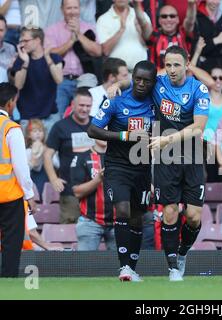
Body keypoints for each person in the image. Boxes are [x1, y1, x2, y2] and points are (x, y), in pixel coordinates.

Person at [88, 60, 157, 281]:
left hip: (143, 169)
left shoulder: (156, 103)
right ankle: (123, 267)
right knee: (123, 210)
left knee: (138, 218)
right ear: (132, 78)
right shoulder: (116, 101)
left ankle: (132, 268)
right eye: (137, 79)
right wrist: (124, 136)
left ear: (153, 83)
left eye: (146, 81)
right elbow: (93, 129)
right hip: (117, 167)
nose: (141, 84)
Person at [148, 46, 210, 281]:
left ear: (187, 65)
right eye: (168, 65)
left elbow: (199, 127)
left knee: (193, 216)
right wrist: (116, 86)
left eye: (176, 65)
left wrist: (167, 138)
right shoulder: (158, 84)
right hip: (166, 158)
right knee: (170, 212)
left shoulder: (198, 88)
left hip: (192, 156)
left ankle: (183, 252)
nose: (172, 70)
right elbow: (135, 82)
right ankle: (173, 267)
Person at [0, 82, 36, 277]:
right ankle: (7, 281)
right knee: (11, 243)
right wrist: (29, 194)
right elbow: (21, 167)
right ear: (10, 103)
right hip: (8, 195)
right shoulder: (11, 128)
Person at [44, 88, 94, 224]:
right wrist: (54, 179)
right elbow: (47, 154)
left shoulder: (97, 125)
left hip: (95, 191)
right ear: (72, 104)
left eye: (88, 106)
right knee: (71, 234)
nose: (85, 109)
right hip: (70, 192)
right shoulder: (60, 126)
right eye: (81, 105)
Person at [45, 0, 102, 117]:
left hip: (84, 80)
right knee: (58, 117)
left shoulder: (89, 27)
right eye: (69, 8)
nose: (72, 11)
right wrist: (71, 41)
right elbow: (52, 54)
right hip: (61, 81)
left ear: (80, 9)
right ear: (62, 10)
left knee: (87, 117)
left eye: (75, 8)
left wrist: (78, 34)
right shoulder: (52, 30)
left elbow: (97, 52)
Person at [12, 27, 63, 134]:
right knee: (28, 150)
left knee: (52, 150)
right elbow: (18, 85)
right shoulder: (21, 59)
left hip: (50, 116)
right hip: (27, 118)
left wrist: (47, 57)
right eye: (21, 41)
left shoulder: (54, 57)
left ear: (38, 40)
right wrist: (25, 63)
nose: (23, 44)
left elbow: (59, 79)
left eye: (26, 41)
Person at [71, 138, 116, 251]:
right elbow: (77, 192)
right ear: (94, 135)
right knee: (85, 266)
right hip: (89, 222)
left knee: (122, 267)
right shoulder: (81, 157)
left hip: (119, 222)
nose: (105, 135)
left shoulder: (122, 158)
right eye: (102, 131)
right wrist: (98, 179)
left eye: (109, 131)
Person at [96, 0, 152, 73]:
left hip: (140, 72)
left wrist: (139, 30)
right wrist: (121, 30)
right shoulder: (103, 19)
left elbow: (150, 42)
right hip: (115, 73)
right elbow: (105, 51)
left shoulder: (142, 15)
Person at [25, 119, 49, 196]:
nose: (38, 133)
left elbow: (57, 164)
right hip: (33, 181)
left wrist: (46, 153)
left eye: (40, 131)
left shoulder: (48, 149)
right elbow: (32, 168)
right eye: (35, 131)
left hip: (47, 181)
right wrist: (34, 157)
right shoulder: (28, 151)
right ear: (29, 134)